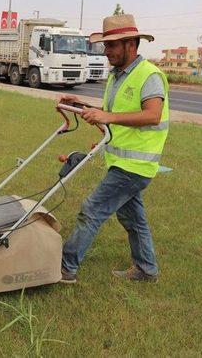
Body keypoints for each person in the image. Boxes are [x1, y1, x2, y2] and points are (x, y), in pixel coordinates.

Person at [59, 14, 169, 283]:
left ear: (130, 44)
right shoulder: (117, 76)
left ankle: (65, 268)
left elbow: (152, 115)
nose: (105, 51)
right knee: (134, 220)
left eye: (111, 46)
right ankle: (146, 269)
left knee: (92, 209)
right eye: (105, 46)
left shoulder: (149, 75)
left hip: (135, 166)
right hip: (120, 161)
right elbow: (110, 113)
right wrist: (82, 105)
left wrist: (108, 118)